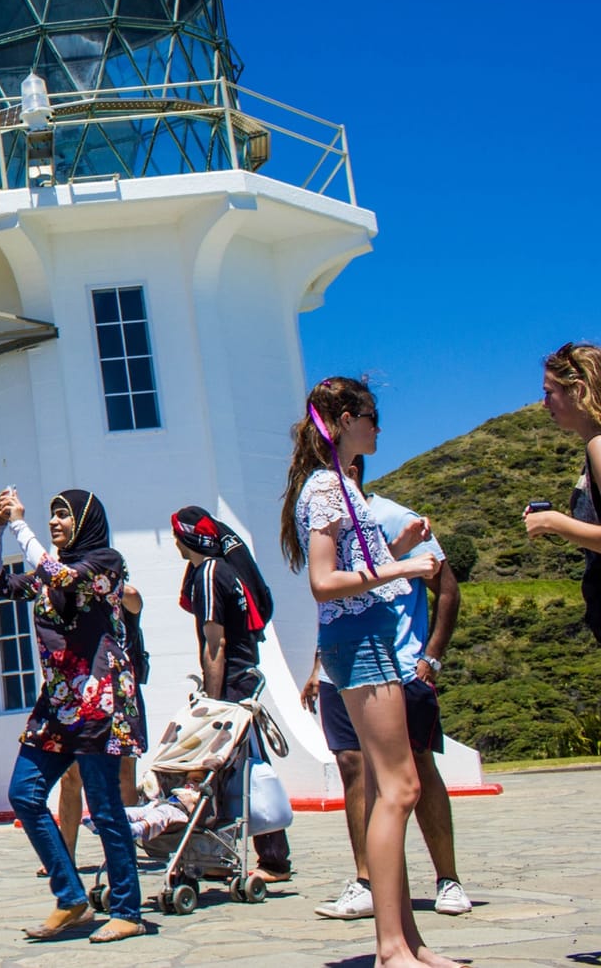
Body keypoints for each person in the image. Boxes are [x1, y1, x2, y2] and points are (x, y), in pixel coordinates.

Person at [280, 377, 457, 968]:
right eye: (374, 418)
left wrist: (397, 550)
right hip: (361, 644)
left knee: (392, 788)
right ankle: (390, 947)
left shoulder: (337, 485)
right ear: (349, 418)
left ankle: (408, 941)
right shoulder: (329, 487)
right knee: (400, 787)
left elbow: (354, 570)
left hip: (365, 638)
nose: (380, 429)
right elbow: (324, 584)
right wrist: (401, 566)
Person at [302, 462, 471, 920]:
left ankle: (447, 878)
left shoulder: (394, 516)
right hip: (342, 666)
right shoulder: (324, 518)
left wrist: (429, 658)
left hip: (396, 664)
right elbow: (336, 596)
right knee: (353, 768)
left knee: (414, 767)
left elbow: (447, 589)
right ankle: (367, 882)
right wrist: (318, 666)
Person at [0, 487, 146, 943]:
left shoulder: (106, 563)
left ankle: (128, 910)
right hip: (57, 704)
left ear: (85, 521)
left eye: (63, 515)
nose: (55, 522)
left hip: (99, 699)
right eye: (51, 515)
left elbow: (62, 576)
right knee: (25, 793)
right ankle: (71, 896)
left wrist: (20, 524)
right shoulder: (49, 573)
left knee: (106, 806)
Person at [170, 506, 294, 883]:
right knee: (246, 767)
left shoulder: (208, 574)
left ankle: (258, 859)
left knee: (224, 770)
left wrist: (210, 704)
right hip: (244, 679)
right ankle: (267, 856)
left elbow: (215, 643)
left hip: (231, 685)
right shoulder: (225, 569)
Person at [51, 578, 142, 875]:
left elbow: (134, 598)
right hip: (81, 693)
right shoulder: (73, 607)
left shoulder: (115, 596)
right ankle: (67, 854)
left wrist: (100, 583)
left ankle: (127, 853)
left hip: (120, 692)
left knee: (125, 774)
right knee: (71, 777)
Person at [526, 343, 601, 612]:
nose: (544, 404)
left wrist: (552, 522)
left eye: (549, 393)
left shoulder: (598, 446)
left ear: (578, 391)